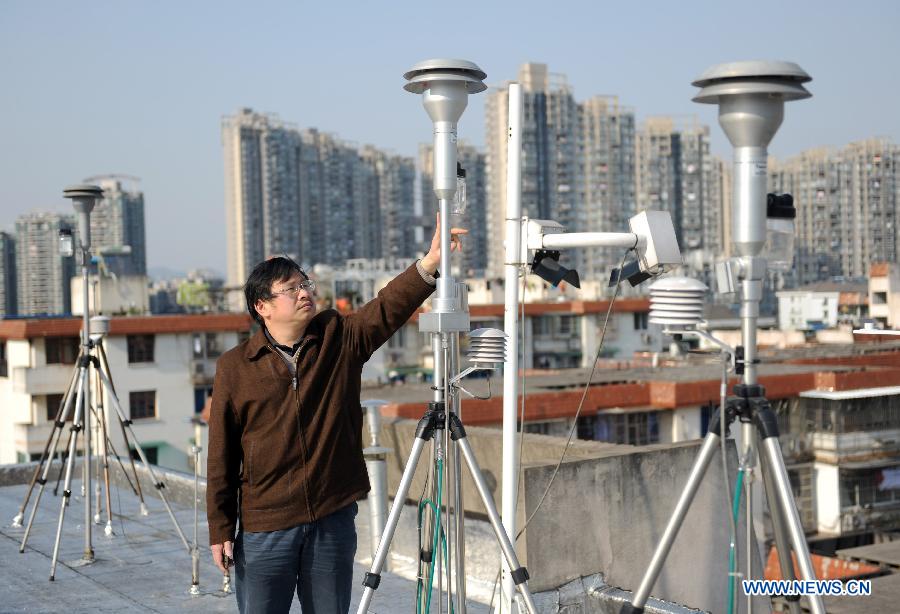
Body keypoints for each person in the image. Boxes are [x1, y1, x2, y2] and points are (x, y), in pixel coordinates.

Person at [207, 218, 466, 614]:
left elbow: (386, 308)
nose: (304, 292)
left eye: (305, 283)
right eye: (290, 288)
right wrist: (221, 528)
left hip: (331, 519)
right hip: (266, 525)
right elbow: (221, 455)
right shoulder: (236, 367)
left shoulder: (338, 338)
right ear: (262, 307)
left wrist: (429, 262)